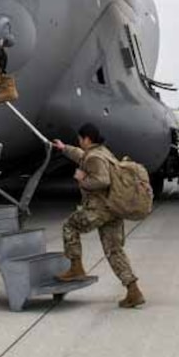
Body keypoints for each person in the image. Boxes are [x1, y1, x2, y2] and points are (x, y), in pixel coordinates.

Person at [52, 124, 145, 308]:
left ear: (87, 139)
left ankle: (76, 267)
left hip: (99, 210)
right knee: (114, 251)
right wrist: (64, 148)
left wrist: (82, 180)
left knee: (70, 226)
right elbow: (82, 157)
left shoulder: (94, 157)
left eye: (80, 139)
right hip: (113, 209)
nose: (79, 142)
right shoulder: (102, 152)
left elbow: (102, 180)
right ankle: (133, 290)